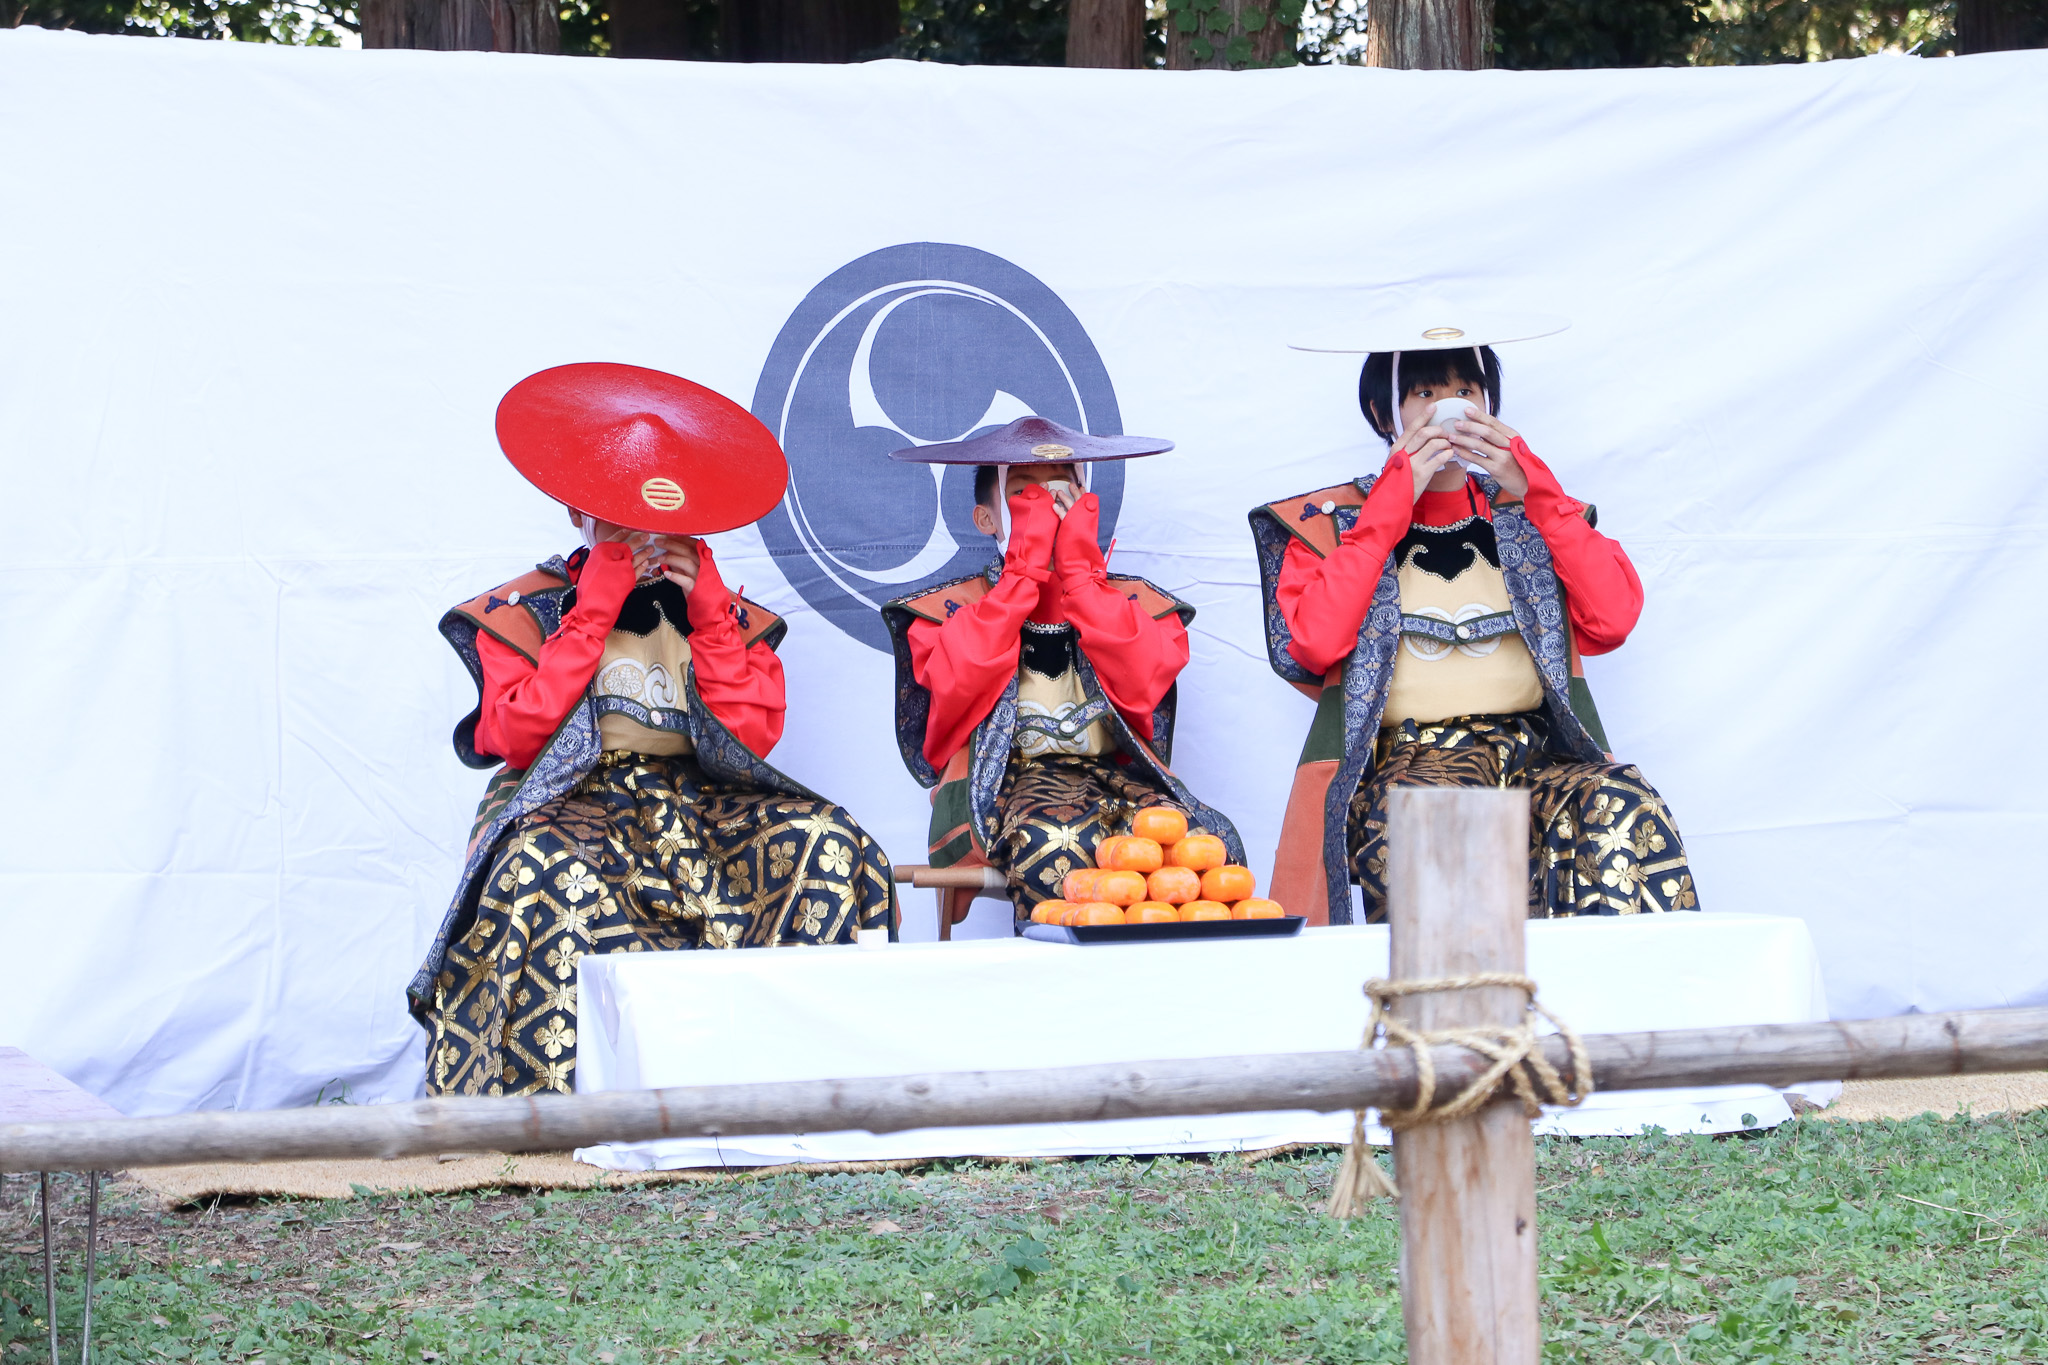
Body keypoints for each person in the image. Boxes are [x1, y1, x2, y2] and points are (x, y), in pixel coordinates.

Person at [410, 362, 895, 1097]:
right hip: (565, 799)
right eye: (618, 520)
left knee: (828, 840)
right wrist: (593, 609)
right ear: (580, 515)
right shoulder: (520, 609)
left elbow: (754, 736)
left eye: (662, 525)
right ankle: (543, 1106)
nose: (643, 538)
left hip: (698, 801)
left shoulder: (733, 616)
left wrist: (708, 611)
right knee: (543, 868)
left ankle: (806, 1085)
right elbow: (514, 739)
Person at [1249, 311, 1695, 925]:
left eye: (1466, 391)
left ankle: (1624, 1008)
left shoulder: (1531, 509)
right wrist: (1388, 508)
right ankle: (1453, 1016)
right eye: (1425, 394)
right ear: (1386, 416)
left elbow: (1612, 621)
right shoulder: (1328, 526)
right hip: (1412, 767)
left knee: (1621, 801)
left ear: (1489, 405)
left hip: (1538, 757)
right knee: (1435, 819)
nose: (1448, 410)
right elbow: (1315, 645)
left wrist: (1540, 491)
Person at [881, 417, 1243, 930]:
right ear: (987, 518)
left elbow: (1145, 684)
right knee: (1056, 839)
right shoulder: (949, 609)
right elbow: (956, 685)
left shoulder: (1134, 601)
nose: (1045, 506)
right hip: (1005, 784)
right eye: (1023, 493)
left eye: (1060, 489)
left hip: (1118, 778)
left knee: (1200, 851)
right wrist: (1023, 574)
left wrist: (1082, 579)